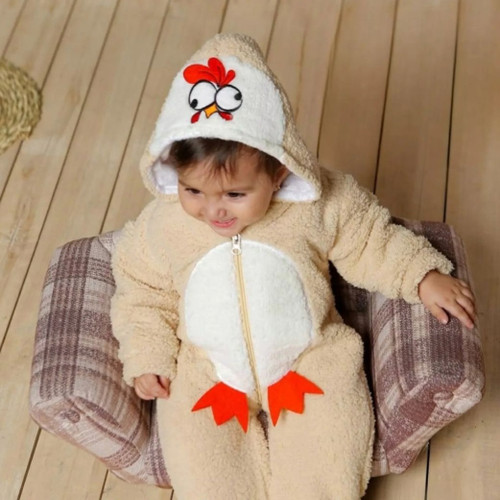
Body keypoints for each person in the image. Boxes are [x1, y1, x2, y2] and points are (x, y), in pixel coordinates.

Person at [110, 34, 475, 500]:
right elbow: (141, 292)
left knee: (330, 453)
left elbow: (369, 237)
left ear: (279, 171)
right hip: (208, 371)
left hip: (308, 361)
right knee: (203, 471)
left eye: (235, 195)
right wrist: (147, 356)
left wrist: (421, 275)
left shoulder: (316, 205)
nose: (213, 210)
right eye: (193, 191)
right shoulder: (162, 226)